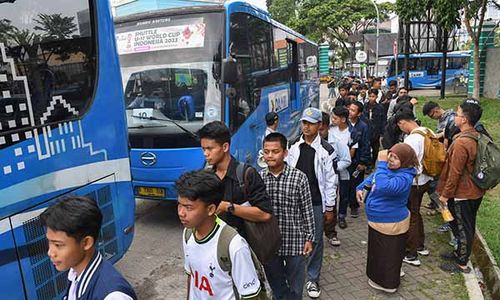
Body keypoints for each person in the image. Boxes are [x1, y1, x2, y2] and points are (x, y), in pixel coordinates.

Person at [178, 170, 263, 299]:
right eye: (179, 205)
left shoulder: (234, 245)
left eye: (188, 207)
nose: (181, 213)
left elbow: (251, 295)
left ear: (211, 209)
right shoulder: (188, 234)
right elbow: (192, 276)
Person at [40, 197, 137, 300]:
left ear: (86, 243)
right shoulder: (75, 274)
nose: (50, 252)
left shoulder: (112, 296)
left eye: (58, 245)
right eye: (49, 242)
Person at [286, 107, 338, 299]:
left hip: (316, 202)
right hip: (294, 202)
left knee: (315, 240)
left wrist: (330, 207)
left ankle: (313, 277)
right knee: (294, 238)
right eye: (304, 123)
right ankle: (294, 272)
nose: (306, 127)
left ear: (320, 125)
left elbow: (331, 181)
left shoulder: (326, 150)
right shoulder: (293, 145)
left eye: (310, 123)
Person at [260, 133, 315, 300]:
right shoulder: (259, 178)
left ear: (285, 153)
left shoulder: (299, 177)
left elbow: (307, 209)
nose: (270, 156)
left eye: (275, 151)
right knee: (277, 288)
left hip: (295, 243)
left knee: (296, 288)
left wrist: (309, 238)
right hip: (269, 245)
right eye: (266, 151)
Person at [356, 144, 418, 293]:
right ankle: (391, 272)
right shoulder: (386, 171)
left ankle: (389, 283)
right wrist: (359, 188)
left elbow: (385, 186)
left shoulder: (405, 177)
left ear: (405, 161)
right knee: (381, 253)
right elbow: (372, 179)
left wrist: (382, 164)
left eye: (395, 158)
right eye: (390, 155)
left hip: (391, 222)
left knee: (388, 253)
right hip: (378, 221)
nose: (390, 159)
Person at [198, 121, 272, 238]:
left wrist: (228, 207)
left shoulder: (247, 174)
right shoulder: (206, 176)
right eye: (203, 149)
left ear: (225, 147)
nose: (205, 154)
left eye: (210, 149)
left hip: (245, 244)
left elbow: (265, 214)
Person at [437, 99, 486, 274]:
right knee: (466, 224)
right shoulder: (477, 134)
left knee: (464, 228)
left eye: (457, 115)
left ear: (464, 119)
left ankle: (462, 264)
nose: (455, 118)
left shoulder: (461, 143)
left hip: (464, 193)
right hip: (475, 190)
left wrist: (444, 195)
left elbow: (454, 173)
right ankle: (459, 253)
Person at [395, 111, 433, 266]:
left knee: (411, 215)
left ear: (403, 122)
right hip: (426, 179)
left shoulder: (411, 139)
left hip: (414, 182)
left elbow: (407, 163)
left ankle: (411, 254)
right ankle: (420, 245)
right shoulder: (427, 131)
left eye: (400, 125)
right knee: (416, 212)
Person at [320, 112, 350, 240]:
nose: (317, 132)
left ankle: (331, 233)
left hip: (330, 180)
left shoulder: (337, 142)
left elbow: (347, 160)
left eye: (321, 129)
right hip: (313, 180)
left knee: (330, 206)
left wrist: (333, 167)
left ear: (327, 127)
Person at [328, 106, 356, 229]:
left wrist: (340, 165)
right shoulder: (330, 131)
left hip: (345, 168)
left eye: (335, 118)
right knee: (331, 193)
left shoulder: (352, 132)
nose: (332, 120)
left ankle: (342, 215)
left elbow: (353, 150)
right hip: (330, 170)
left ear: (343, 119)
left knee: (344, 194)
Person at [348, 101, 371, 218]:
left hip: (357, 161)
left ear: (359, 113)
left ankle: (354, 206)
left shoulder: (363, 126)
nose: (350, 112)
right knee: (346, 184)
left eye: (353, 110)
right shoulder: (344, 124)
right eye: (349, 109)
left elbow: (366, 145)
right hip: (346, 161)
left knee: (356, 183)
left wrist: (363, 162)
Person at [363, 89, 387, 169]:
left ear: (376, 97)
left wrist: (382, 133)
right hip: (366, 131)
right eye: (370, 96)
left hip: (376, 131)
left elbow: (383, 120)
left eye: (373, 96)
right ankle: (368, 164)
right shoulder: (364, 106)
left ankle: (373, 163)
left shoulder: (380, 107)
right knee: (366, 149)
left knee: (375, 149)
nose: (371, 98)